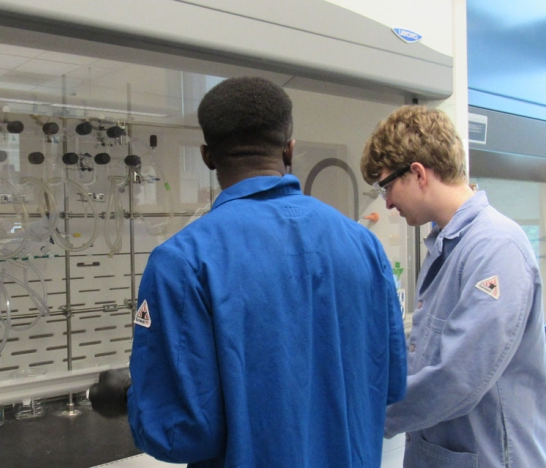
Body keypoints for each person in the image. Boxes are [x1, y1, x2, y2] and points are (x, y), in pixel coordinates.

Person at [89, 76, 407, 467]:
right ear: (290, 150)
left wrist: (126, 396)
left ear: (207, 156)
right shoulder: (363, 245)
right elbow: (389, 381)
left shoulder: (182, 261)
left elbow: (181, 432)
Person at [360, 105, 546, 467]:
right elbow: (424, 352)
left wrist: (363, 416)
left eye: (386, 186)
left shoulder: (496, 246)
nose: (386, 202)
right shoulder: (446, 247)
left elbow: (458, 378)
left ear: (417, 173)